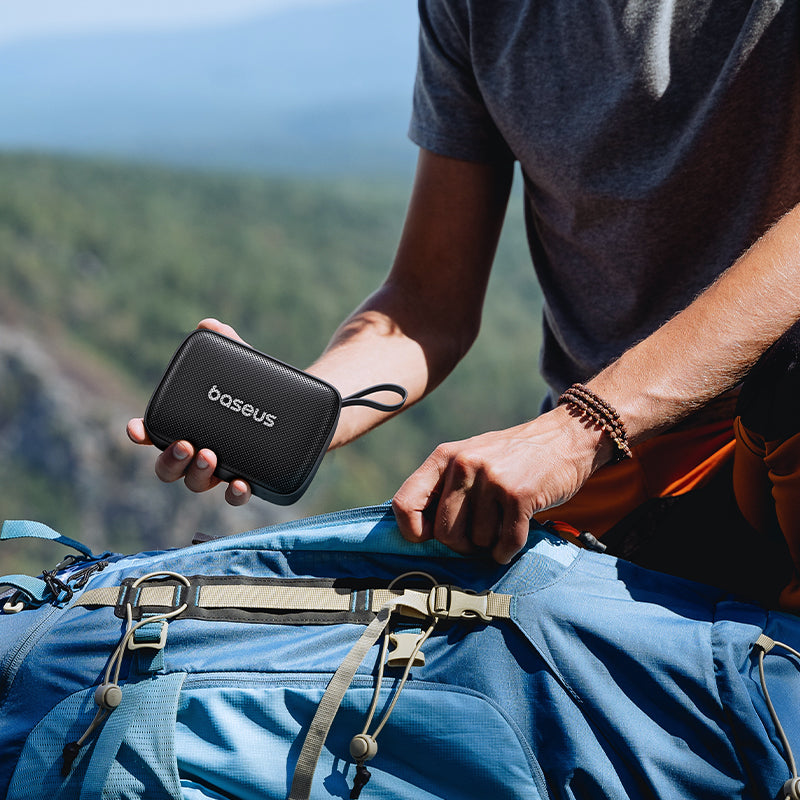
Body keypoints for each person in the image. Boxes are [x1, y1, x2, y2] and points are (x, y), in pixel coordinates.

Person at [128, 1, 800, 606]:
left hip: (760, 455)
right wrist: (298, 412)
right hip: (601, 486)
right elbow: (426, 303)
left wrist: (578, 430)